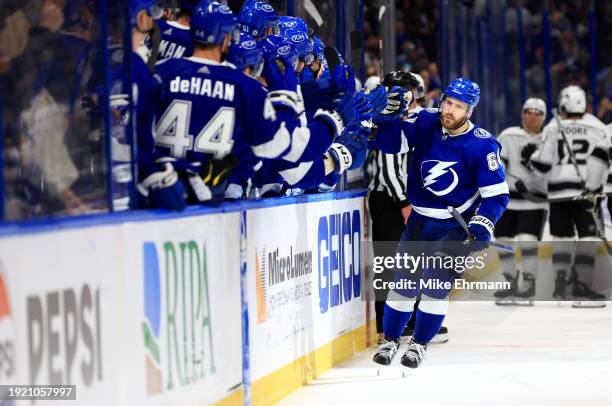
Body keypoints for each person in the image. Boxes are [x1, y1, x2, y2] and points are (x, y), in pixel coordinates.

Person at [371, 77, 509, 369]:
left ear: (469, 111)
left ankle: (419, 344)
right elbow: (389, 144)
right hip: (419, 221)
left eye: (458, 106)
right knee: (403, 284)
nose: (450, 110)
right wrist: (389, 118)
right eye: (448, 102)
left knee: (435, 286)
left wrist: (483, 223)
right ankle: (391, 339)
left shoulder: (482, 145)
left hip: (453, 227)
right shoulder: (426, 121)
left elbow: (496, 195)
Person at [526, 85, 609, 308]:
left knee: (561, 236)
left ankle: (560, 284)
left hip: (558, 192)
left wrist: (531, 164)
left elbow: (541, 164)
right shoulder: (599, 127)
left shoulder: (554, 126)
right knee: (588, 238)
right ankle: (581, 285)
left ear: (564, 104)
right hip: (588, 193)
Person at [493, 98, 549, 306]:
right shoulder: (508, 135)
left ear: (543, 117)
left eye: (537, 112)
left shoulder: (549, 138)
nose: (532, 115)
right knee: (503, 241)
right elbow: (498, 166)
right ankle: (510, 281)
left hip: (535, 201)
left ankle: (528, 283)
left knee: (527, 239)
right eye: (528, 111)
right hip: (507, 199)